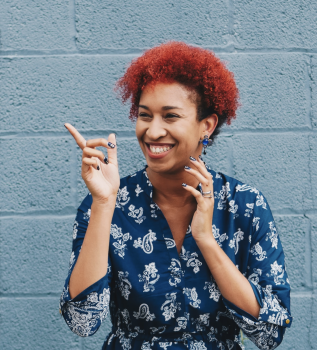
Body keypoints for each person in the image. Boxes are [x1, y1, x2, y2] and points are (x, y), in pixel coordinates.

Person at [60, 41, 292, 350]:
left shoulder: (245, 206)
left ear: (205, 126)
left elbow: (269, 333)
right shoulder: (105, 204)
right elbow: (81, 321)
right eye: (145, 115)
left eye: (170, 116)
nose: (153, 131)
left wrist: (207, 241)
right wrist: (104, 203)